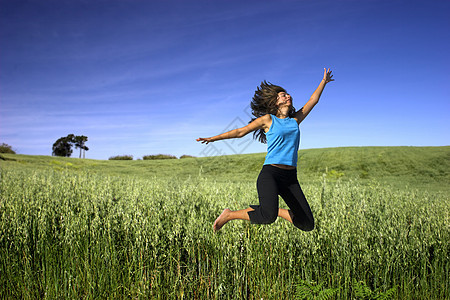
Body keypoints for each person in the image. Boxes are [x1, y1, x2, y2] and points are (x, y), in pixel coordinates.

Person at [197, 68, 334, 232]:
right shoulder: (268, 120)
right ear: (276, 102)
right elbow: (240, 132)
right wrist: (212, 139)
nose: (288, 96)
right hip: (271, 174)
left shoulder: (295, 120)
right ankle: (229, 215)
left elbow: (313, 100)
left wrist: (323, 82)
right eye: (283, 95)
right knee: (268, 217)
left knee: (307, 224)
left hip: (290, 178)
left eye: (288, 94)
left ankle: (275, 210)